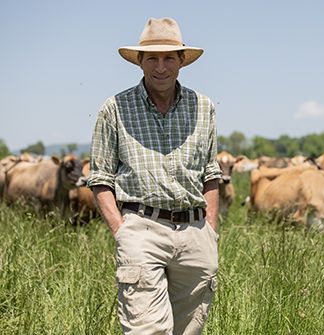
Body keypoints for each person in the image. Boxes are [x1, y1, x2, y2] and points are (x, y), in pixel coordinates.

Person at [87, 17, 222, 335]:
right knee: (147, 330)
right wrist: (122, 231)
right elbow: (100, 178)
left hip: (195, 233)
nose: (160, 67)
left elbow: (211, 174)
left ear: (181, 62)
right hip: (141, 230)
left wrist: (211, 231)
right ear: (139, 61)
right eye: (152, 58)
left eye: (168, 58)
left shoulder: (203, 107)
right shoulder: (115, 108)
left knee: (189, 330)